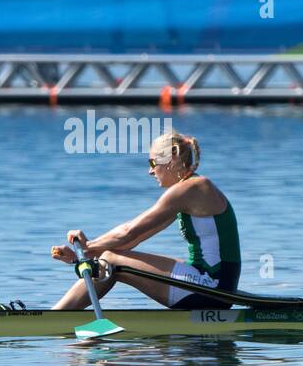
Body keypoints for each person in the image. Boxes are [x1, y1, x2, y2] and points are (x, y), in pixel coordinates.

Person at [49, 130, 241, 310]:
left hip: (211, 286)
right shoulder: (189, 190)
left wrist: (87, 247)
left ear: (170, 159)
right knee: (110, 256)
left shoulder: (192, 188)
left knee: (110, 260)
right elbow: (132, 239)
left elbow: (128, 232)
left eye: (152, 163)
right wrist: (82, 254)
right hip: (214, 283)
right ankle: (57, 316)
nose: (150, 172)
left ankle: (53, 318)